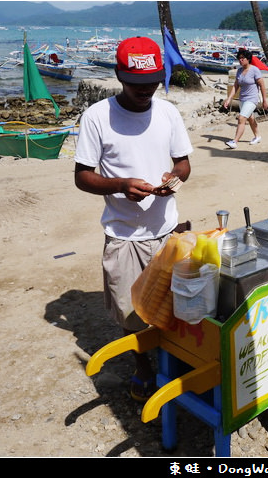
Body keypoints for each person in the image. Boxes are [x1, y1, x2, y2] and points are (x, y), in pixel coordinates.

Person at [74, 36, 193, 402]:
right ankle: (143, 366)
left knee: (175, 305)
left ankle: (175, 359)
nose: (145, 90)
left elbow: (183, 164)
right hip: (124, 234)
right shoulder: (97, 117)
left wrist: (172, 181)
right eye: (136, 84)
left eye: (152, 82)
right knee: (130, 311)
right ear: (119, 76)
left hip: (166, 230)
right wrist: (122, 185)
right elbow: (82, 176)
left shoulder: (168, 112)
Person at [223, 48, 268, 149]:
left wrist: (265, 100)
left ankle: (235, 141)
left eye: (243, 58)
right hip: (242, 99)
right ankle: (257, 136)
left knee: (241, 118)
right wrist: (229, 99)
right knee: (250, 118)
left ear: (248, 59)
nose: (240, 60)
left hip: (252, 99)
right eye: (239, 58)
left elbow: (262, 85)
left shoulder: (254, 70)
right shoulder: (239, 71)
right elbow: (235, 86)